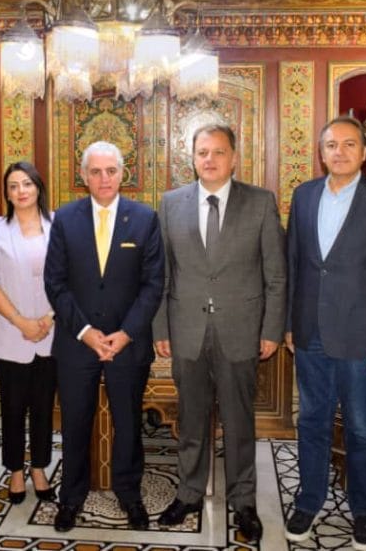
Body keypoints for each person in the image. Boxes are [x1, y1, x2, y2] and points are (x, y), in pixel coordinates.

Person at [284, 116, 366, 550]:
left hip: (362, 338)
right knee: (312, 421)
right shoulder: (304, 196)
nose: (339, 152)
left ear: (364, 152)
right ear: (321, 152)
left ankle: (364, 510)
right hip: (310, 333)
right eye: (331, 145)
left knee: (360, 428)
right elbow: (293, 263)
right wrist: (289, 323)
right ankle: (309, 500)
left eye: (348, 144)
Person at [152, 123, 286, 542]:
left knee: (239, 420)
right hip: (186, 329)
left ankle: (244, 500)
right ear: (192, 158)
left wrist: (271, 329)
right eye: (202, 152)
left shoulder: (260, 202)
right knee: (191, 418)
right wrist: (160, 326)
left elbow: (276, 276)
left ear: (234, 158)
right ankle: (189, 493)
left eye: (219, 152)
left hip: (241, 330)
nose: (209, 159)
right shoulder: (171, 203)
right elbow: (162, 273)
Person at [44, 140, 164, 533]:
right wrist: (85, 332)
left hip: (127, 343)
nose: (104, 178)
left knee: (128, 425)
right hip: (76, 342)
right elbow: (55, 282)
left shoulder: (145, 218)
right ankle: (71, 497)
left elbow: (153, 284)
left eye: (111, 170)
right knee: (75, 424)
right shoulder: (65, 218)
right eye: (95, 171)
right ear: (83, 176)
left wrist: (126, 333)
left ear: (122, 173)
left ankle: (129, 495)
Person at [0, 161, 57, 505]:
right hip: (11, 335)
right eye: (13, 186)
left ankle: (39, 468)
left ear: (38, 187)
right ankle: (14, 471)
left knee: (43, 407)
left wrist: (50, 318)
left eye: (27, 183)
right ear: (7, 193)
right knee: (12, 409)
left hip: (52, 333)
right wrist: (22, 322)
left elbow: (69, 277)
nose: (21, 191)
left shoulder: (58, 225)